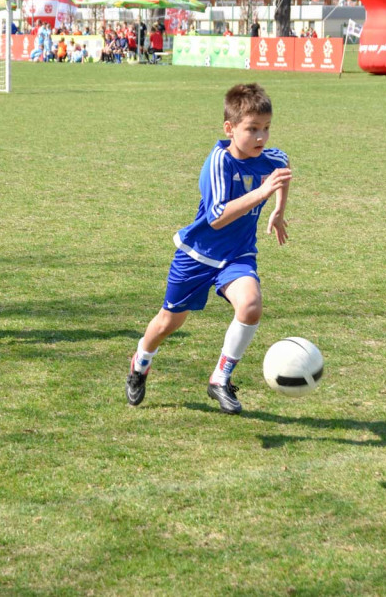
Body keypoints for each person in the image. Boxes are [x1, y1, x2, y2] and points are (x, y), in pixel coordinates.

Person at [125, 83, 291, 414]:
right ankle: (140, 363)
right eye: (252, 129)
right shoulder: (218, 162)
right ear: (229, 129)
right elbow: (217, 217)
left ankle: (220, 379)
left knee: (251, 306)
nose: (261, 137)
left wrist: (278, 210)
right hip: (196, 257)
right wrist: (262, 195)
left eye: (266, 128)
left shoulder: (272, 158)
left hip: (237, 255)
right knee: (167, 323)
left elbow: (283, 174)